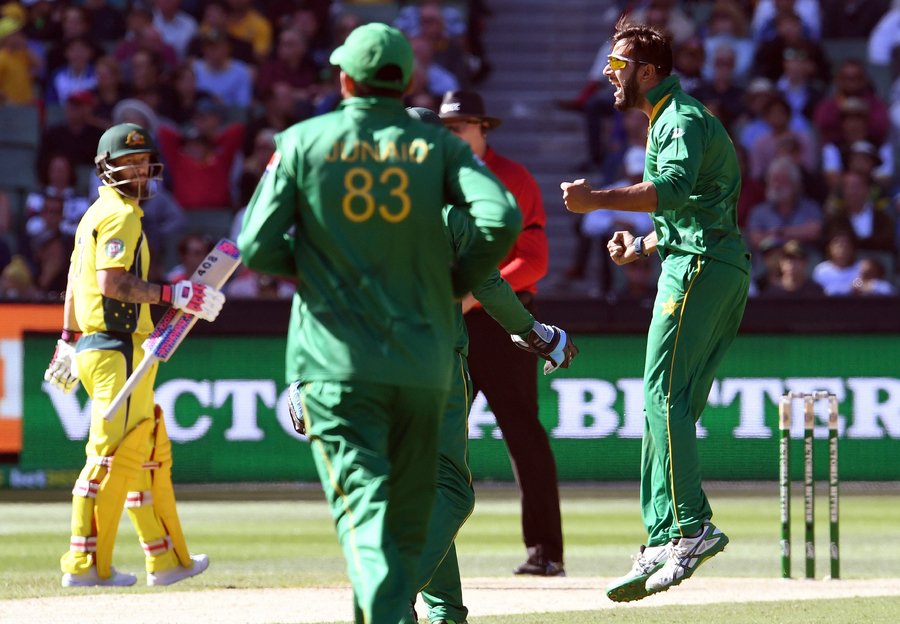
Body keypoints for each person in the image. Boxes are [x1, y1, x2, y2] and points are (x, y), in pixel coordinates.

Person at [236, 23, 521, 624]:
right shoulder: (438, 156)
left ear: (344, 78)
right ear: (406, 81)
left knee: (372, 502)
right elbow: (501, 221)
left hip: (331, 359)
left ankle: (425, 610)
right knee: (442, 489)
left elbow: (255, 246)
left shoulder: (301, 141)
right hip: (419, 357)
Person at [561, 17, 751, 601]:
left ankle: (688, 528)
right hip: (699, 259)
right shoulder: (669, 119)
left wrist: (598, 201)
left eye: (618, 66)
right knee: (667, 403)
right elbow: (694, 203)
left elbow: (669, 189)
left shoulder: (682, 118)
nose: (609, 74)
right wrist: (641, 244)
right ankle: (664, 534)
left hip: (699, 266)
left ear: (648, 71)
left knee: (662, 395)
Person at [406, 105, 577, 624]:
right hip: (436, 355)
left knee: (422, 486)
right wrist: (538, 333)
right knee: (452, 489)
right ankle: (389, 595)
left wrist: (301, 377)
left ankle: (445, 612)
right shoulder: (450, 207)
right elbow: (488, 282)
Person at [43, 122, 225, 587]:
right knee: (109, 456)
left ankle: (164, 559)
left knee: (142, 451)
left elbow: (73, 283)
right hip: (116, 347)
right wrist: (174, 292)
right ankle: (85, 565)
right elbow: (110, 283)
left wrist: (67, 336)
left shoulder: (93, 215)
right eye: (129, 162)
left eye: (143, 161)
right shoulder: (121, 215)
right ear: (108, 168)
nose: (139, 169)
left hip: (101, 346)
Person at [438, 89, 565, 577]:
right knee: (436, 438)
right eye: (445, 128)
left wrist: (472, 295)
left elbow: (534, 258)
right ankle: (428, 551)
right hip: (449, 323)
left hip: (502, 323)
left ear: (482, 128)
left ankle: (546, 552)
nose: (450, 136)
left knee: (523, 436)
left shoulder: (512, 178)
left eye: (458, 127)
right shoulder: (432, 180)